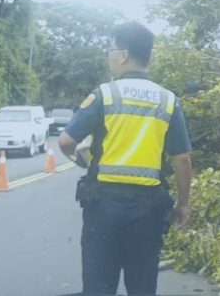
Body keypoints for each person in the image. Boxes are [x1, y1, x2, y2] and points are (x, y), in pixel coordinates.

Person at [57, 22, 193, 296]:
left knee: (99, 287)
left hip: (103, 207)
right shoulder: (168, 101)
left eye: (111, 50)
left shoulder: (104, 95)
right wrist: (183, 205)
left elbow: (66, 142)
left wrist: (80, 160)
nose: (109, 56)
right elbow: (182, 160)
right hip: (148, 212)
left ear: (123, 55)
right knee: (142, 287)